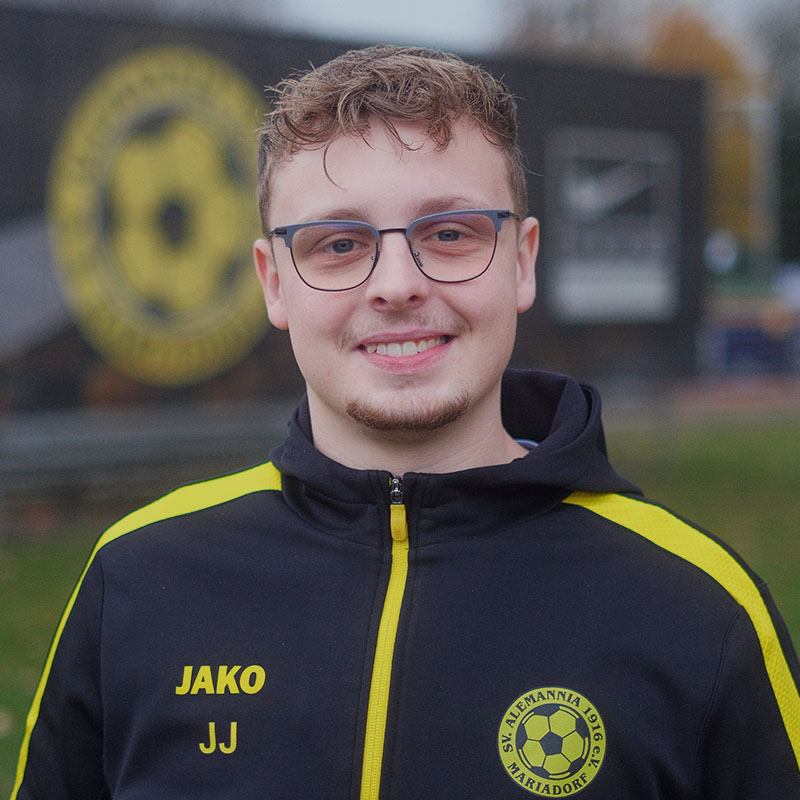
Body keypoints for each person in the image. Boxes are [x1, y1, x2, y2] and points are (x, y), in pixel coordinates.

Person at [11, 44, 800, 800]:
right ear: (273, 282)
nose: (395, 284)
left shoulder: (701, 609)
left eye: (449, 233)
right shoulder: (136, 580)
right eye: (338, 243)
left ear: (522, 261)